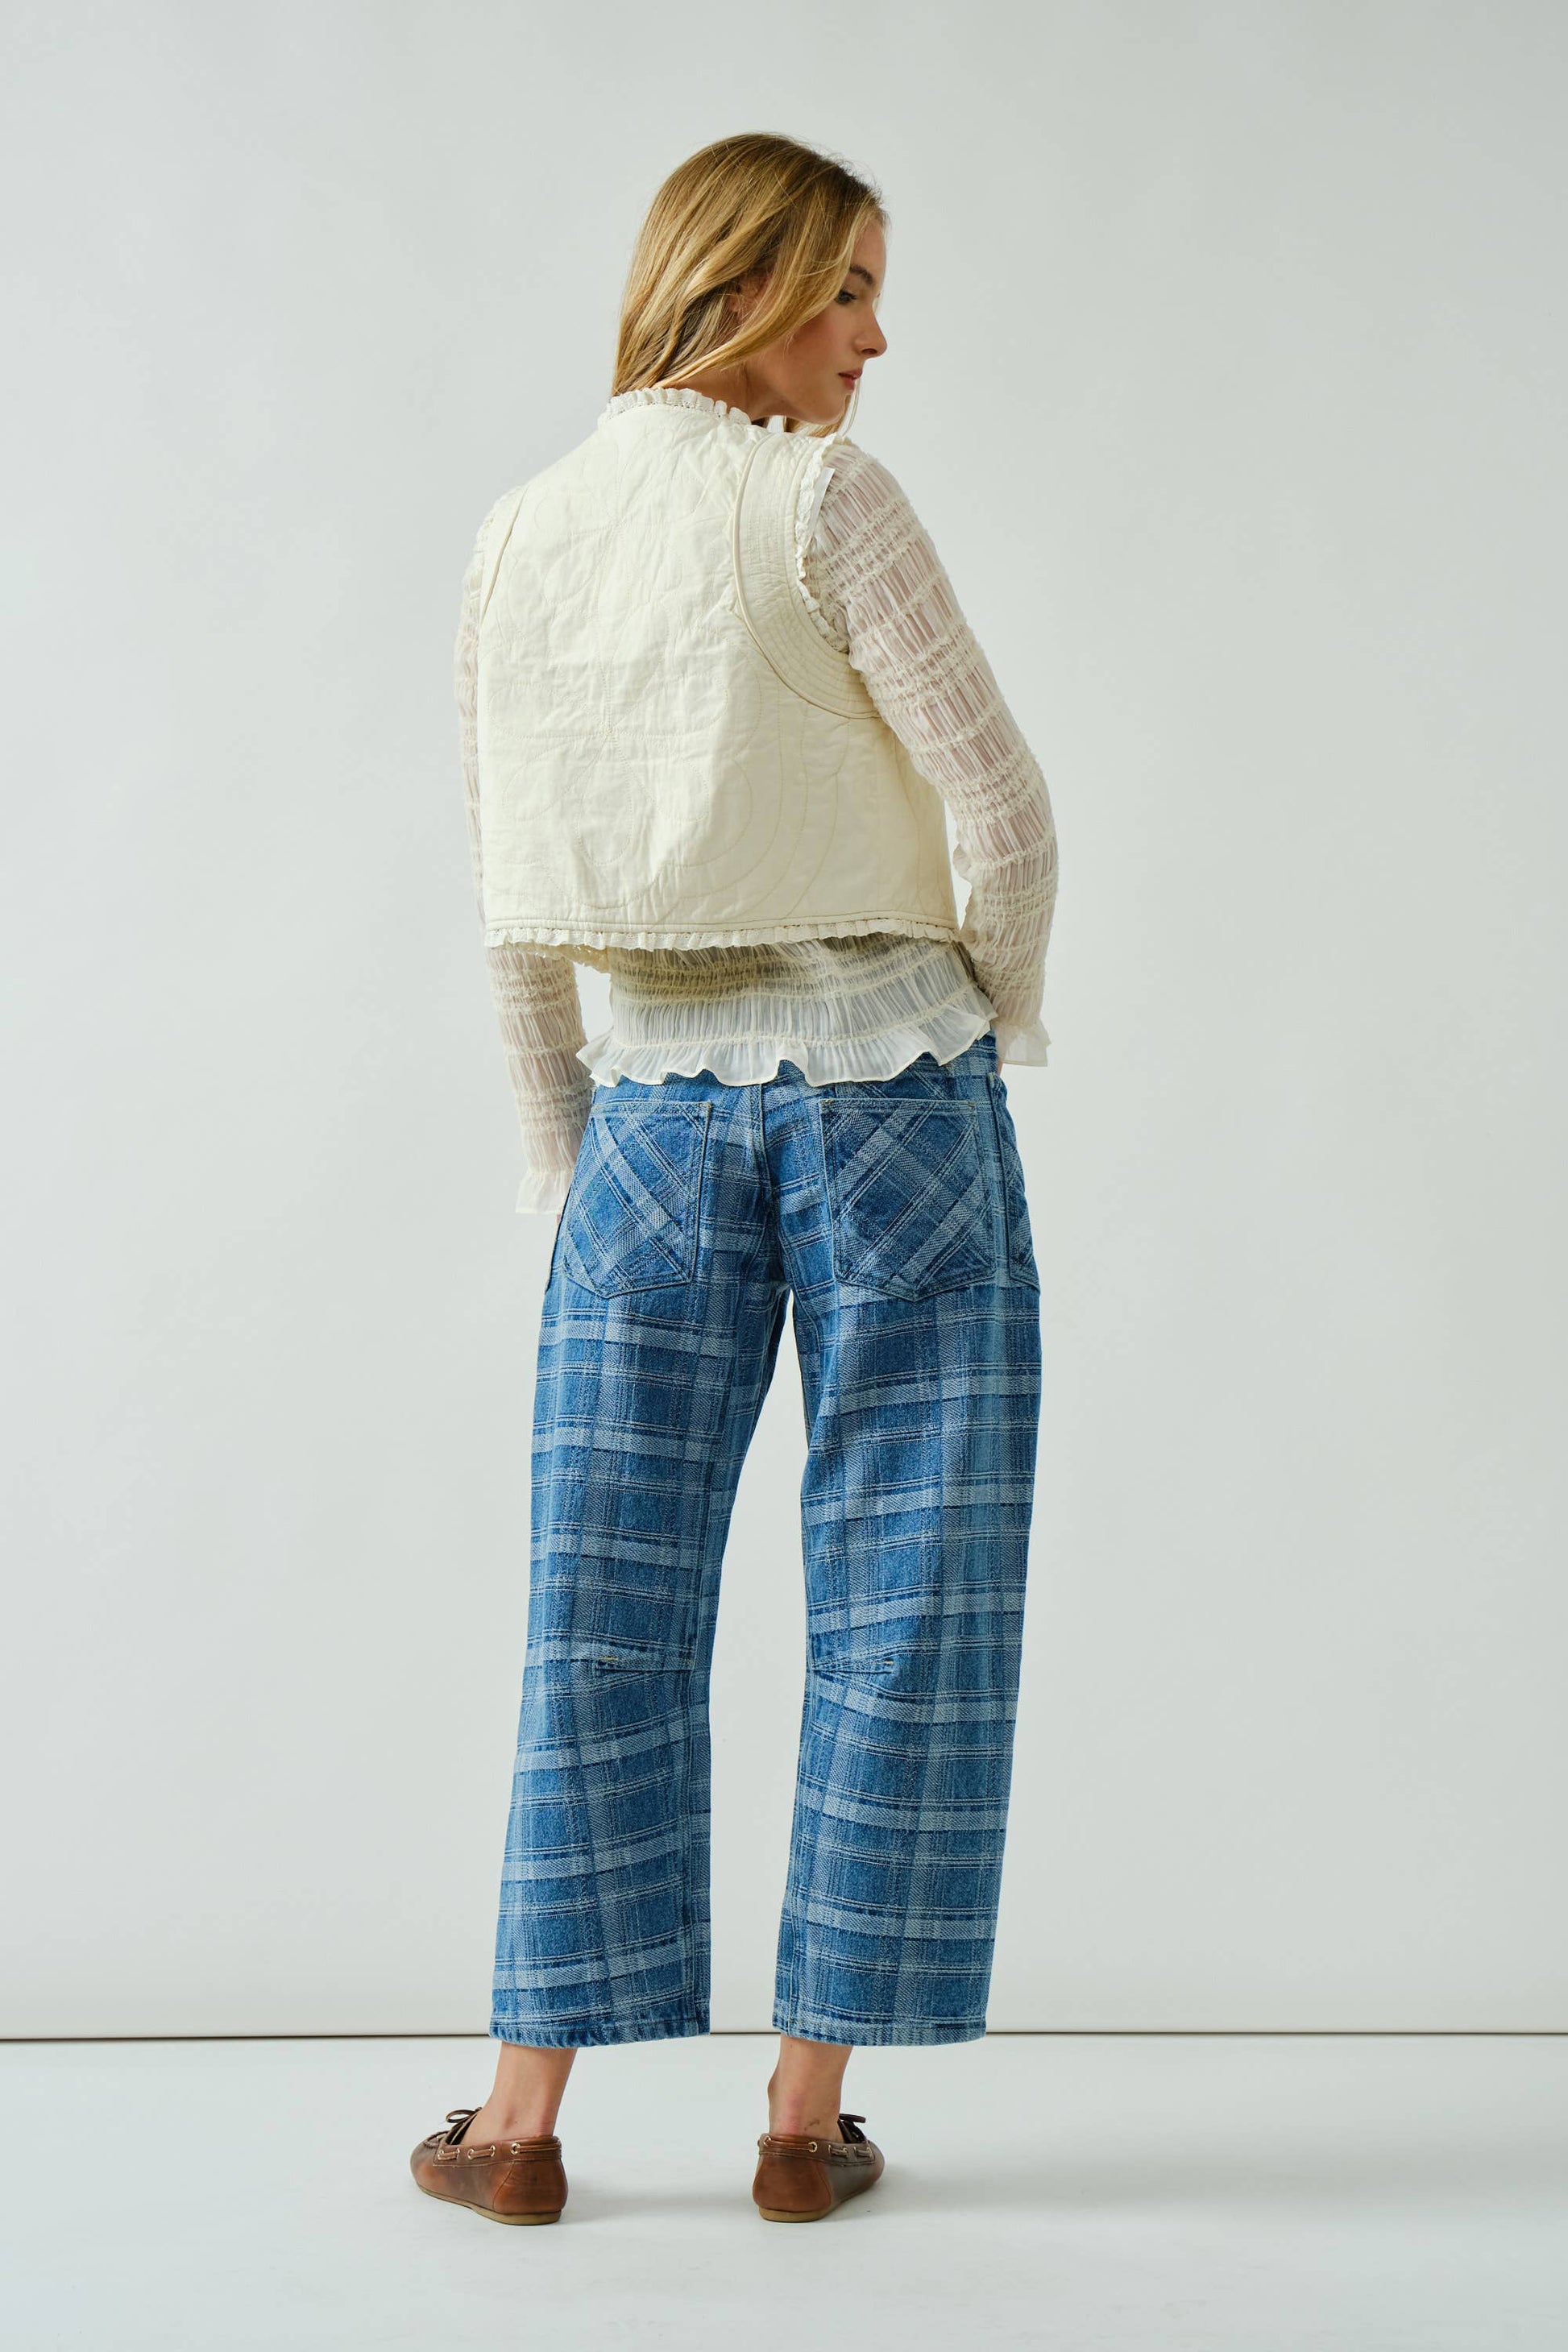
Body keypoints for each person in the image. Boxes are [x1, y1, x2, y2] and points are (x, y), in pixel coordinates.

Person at [411, 131, 1060, 2228]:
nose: (874, 338)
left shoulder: (517, 534)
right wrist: (979, 1021)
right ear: (746, 285)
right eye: (846, 288)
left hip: (647, 1121)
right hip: (895, 1099)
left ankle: (520, 2128)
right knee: (908, 1590)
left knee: (595, 1600)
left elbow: (514, 899)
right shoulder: (823, 500)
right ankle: (801, 2119)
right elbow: (1005, 811)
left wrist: (566, 1153)